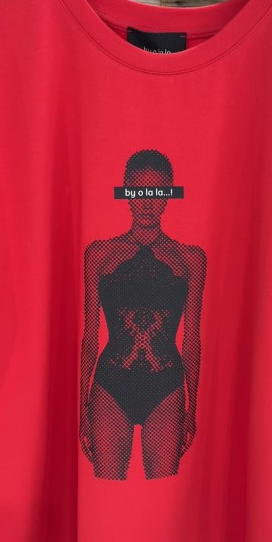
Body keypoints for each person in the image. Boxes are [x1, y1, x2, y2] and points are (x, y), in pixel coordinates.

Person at [79, 149, 205, 480]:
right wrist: (81, 407)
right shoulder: (99, 255)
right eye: (139, 191)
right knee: (106, 493)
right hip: (110, 384)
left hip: (166, 386)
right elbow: (90, 336)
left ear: (168, 194)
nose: (147, 203)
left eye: (157, 192)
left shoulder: (190, 259)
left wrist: (192, 408)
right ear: (126, 191)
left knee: (165, 498)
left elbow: (191, 339)